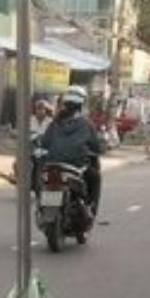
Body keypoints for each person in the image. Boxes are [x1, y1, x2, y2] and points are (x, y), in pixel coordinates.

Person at [38, 85, 105, 214]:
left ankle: (43, 208)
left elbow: (45, 143)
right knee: (95, 176)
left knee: (43, 177)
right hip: (76, 166)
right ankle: (91, 209)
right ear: (81, 104)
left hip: (54, 165)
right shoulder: (86, 124)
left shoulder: (55, 122)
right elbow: (96, 147)